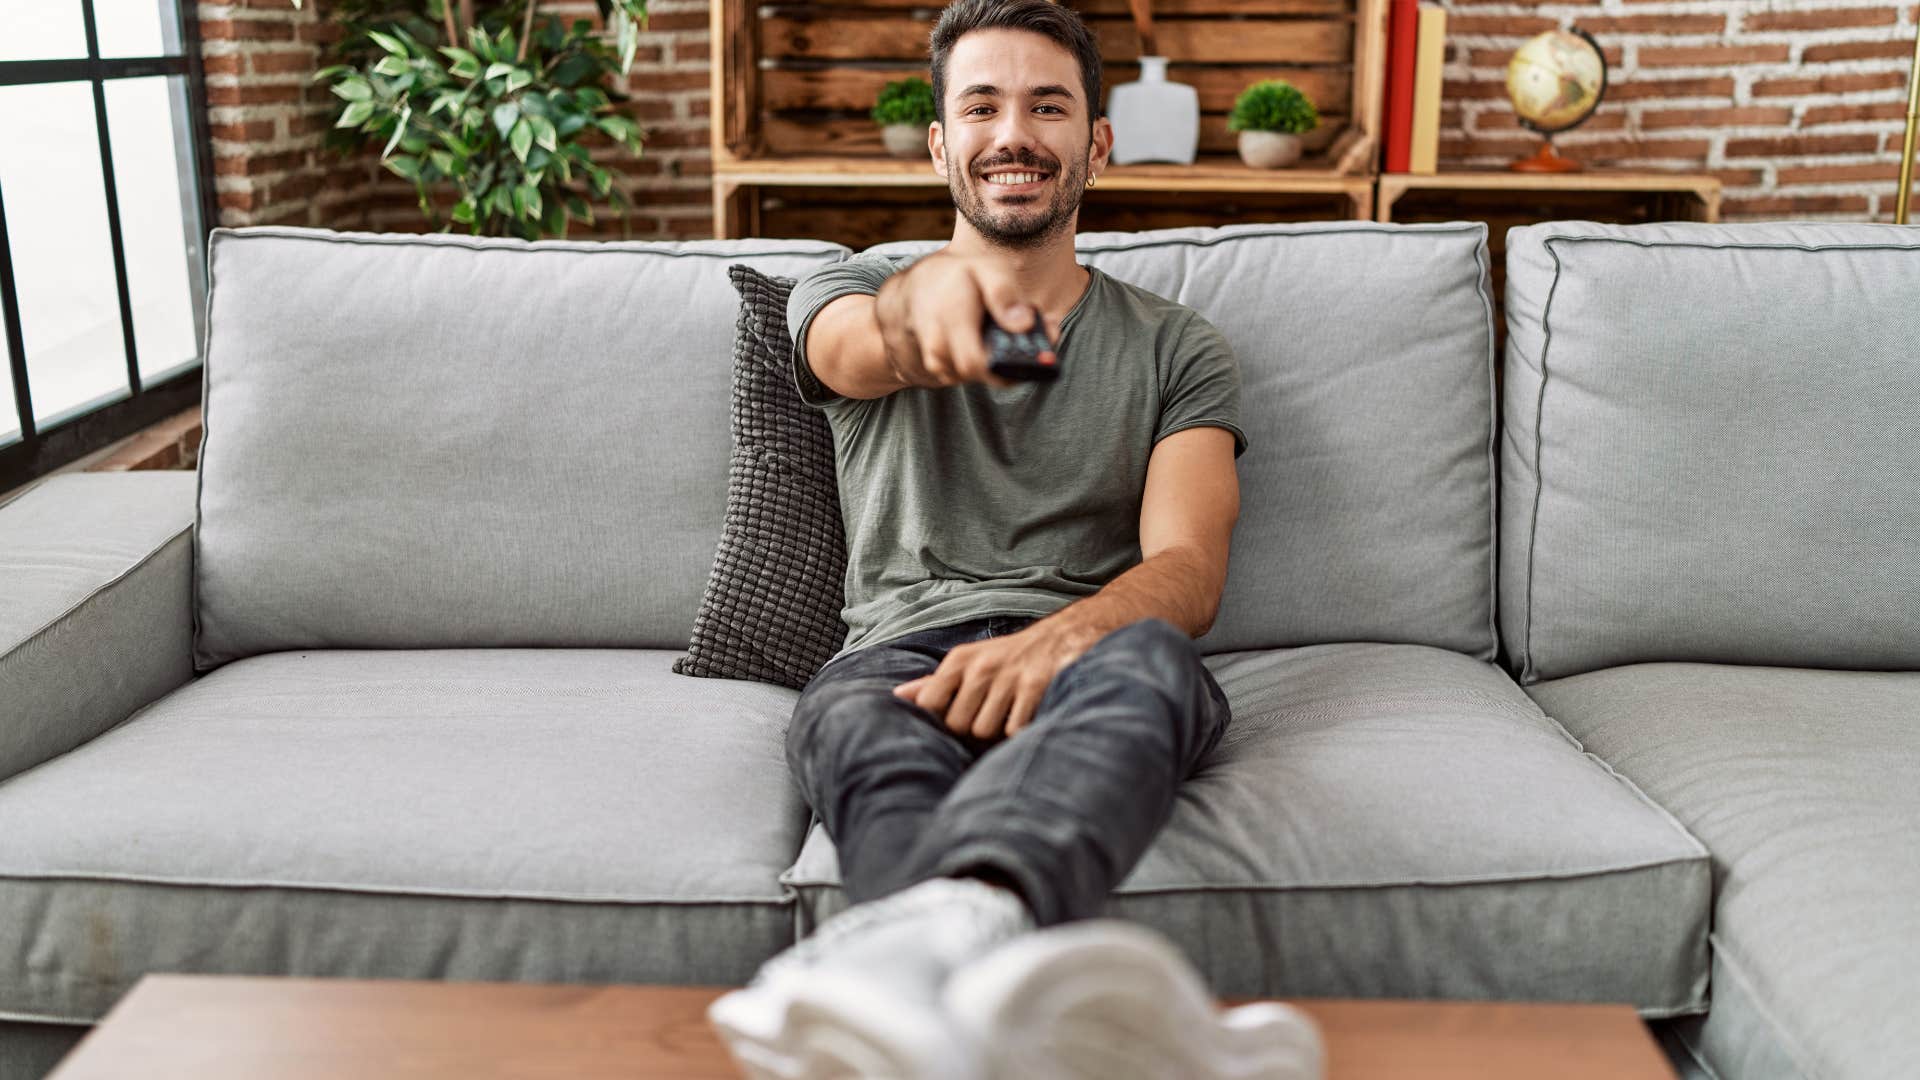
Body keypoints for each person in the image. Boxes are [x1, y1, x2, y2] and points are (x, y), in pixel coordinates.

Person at [707, 1, 1322, 1077]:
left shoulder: (1179, 347)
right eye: (981, 106)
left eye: (1048, 106)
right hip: (896, 658)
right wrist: (928, 307)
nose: (1013, 134)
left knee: (1155, 667)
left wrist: (1066, 637)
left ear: (1096, 141)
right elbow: (860, 350)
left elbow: (1187, 569)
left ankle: (905, 983)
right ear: (941, 142)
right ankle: (1023, 997)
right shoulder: (849, 287)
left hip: (1101, 655)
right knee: (855, 728)